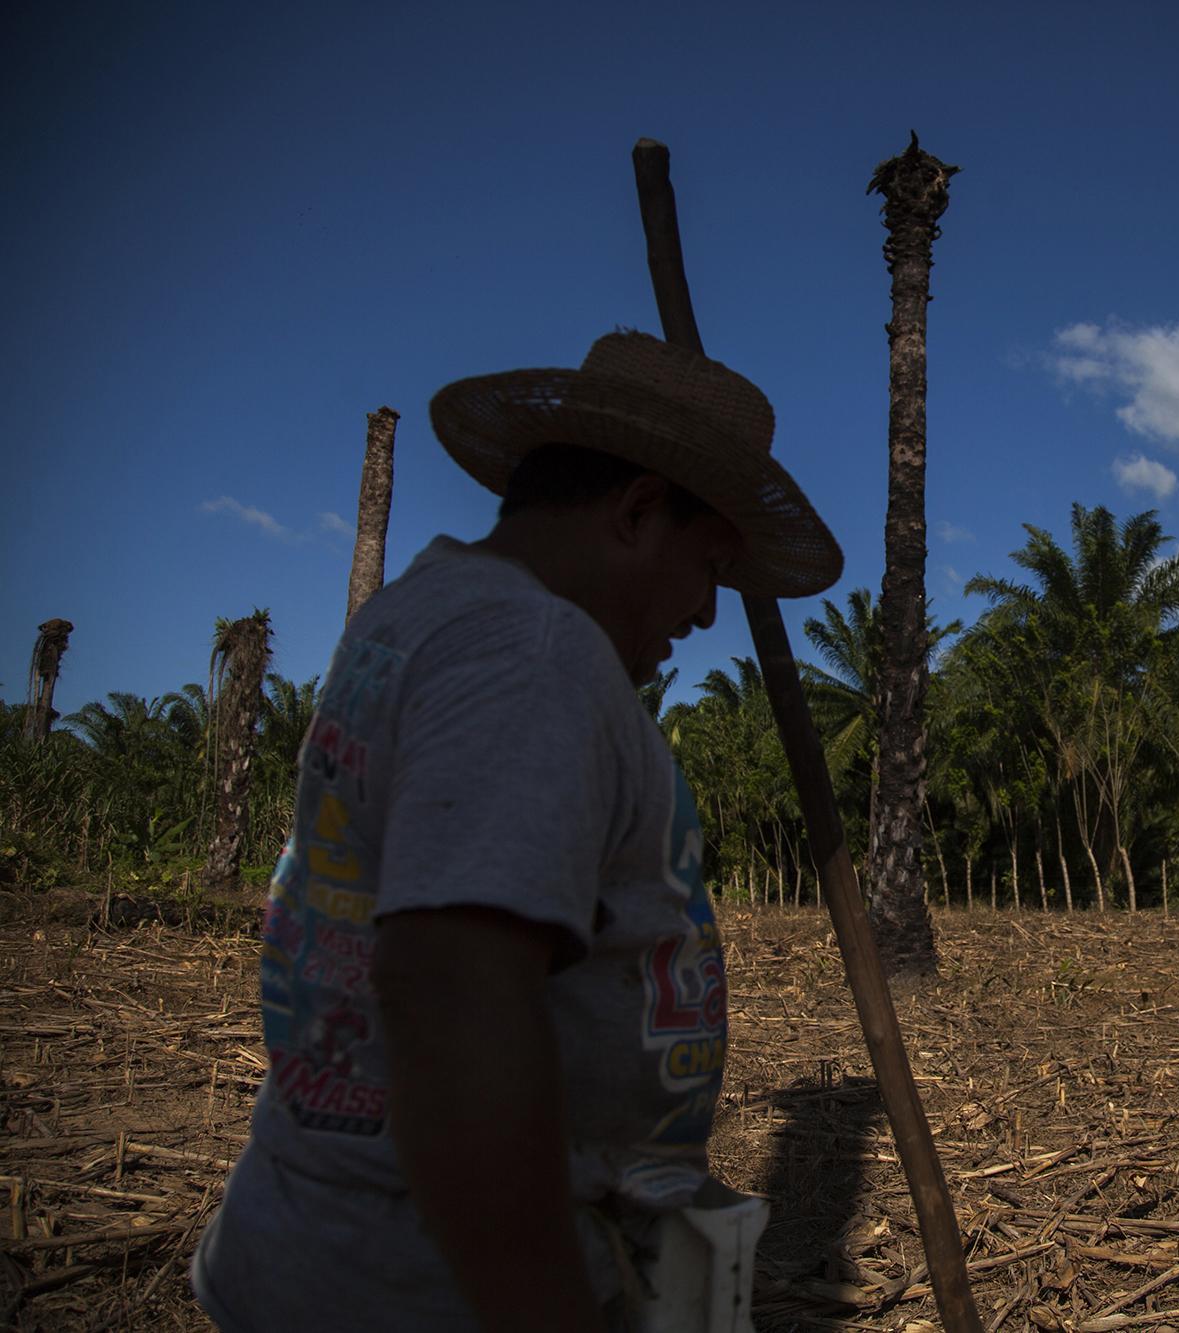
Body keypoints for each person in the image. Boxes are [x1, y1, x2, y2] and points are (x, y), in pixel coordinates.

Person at [191, 330, 842, 1331]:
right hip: (426, 1288)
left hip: (344, 1246)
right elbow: (454, 998)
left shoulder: (422, 612)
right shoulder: (531, 654)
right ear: (633, 512)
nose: (709, 612)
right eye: (709, 565)